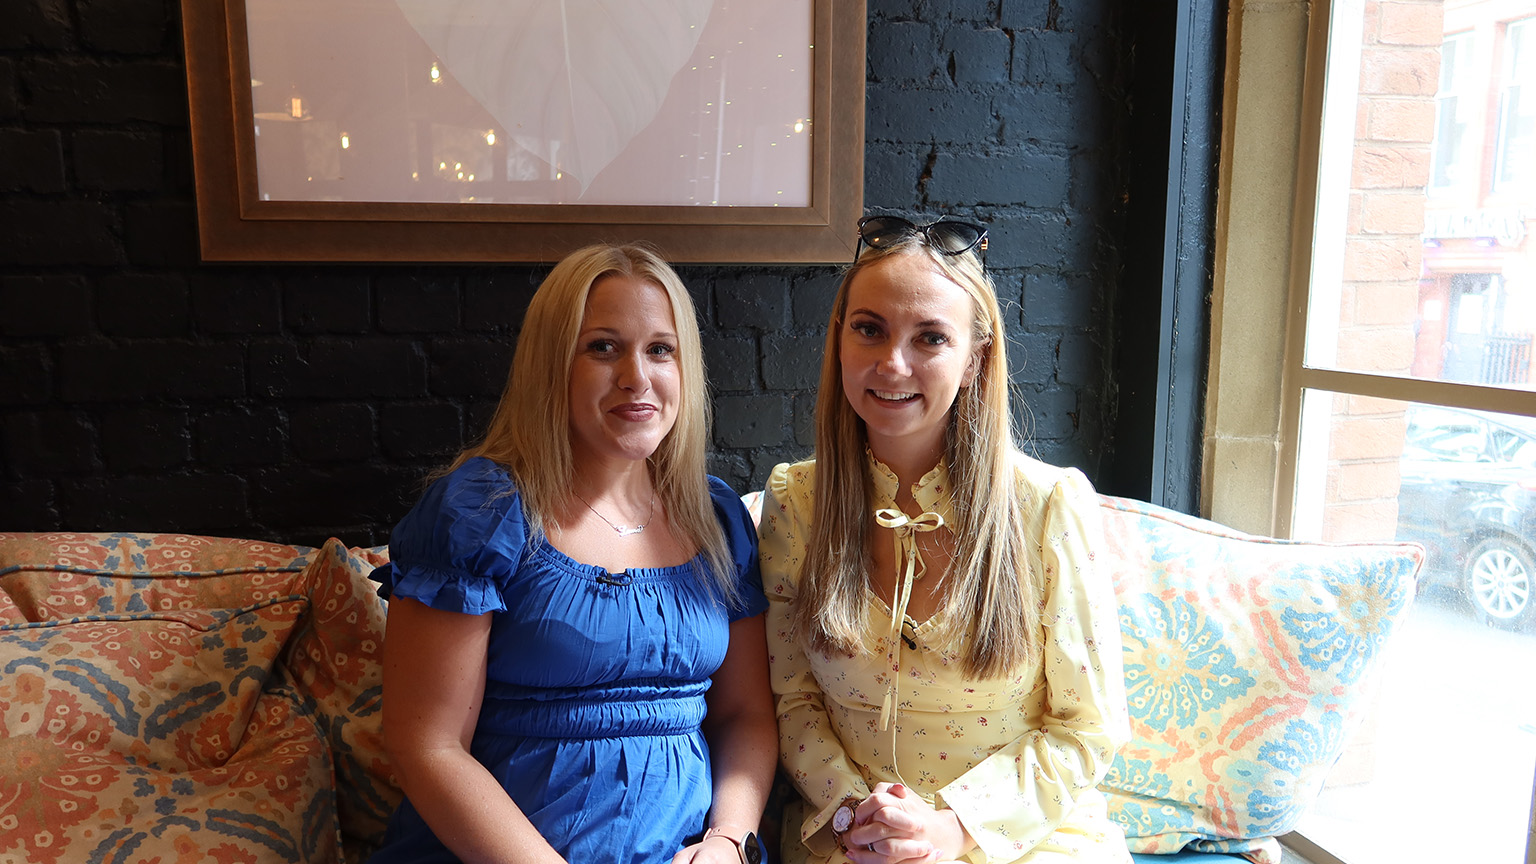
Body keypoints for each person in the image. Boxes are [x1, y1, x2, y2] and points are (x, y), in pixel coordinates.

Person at [369, 244, 776, 864]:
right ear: (551, 364)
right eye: (603, 347)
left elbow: (743, 715)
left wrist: (727, 842)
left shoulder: (716, 519)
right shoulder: (480, 514)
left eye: (659, 349)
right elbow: (426, 743)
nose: (636, 378)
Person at [759, 216, 1132, 864]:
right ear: (839, 340)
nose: (892, 363)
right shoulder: (796, 502)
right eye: (869, 329)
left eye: (930, 337)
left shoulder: (1047, 506)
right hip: (853, 839)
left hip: (1023, 841)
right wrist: (856, 817)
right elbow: (793, 699)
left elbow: (1086, 730)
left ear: (973, 360)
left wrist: (952, 828)